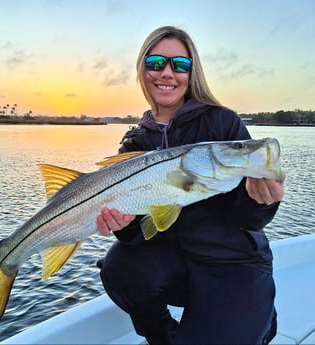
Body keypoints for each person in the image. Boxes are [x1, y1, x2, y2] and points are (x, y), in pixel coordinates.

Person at [96, 26, 284, 345]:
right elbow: (137, 235)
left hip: (232, 264)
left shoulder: (223, 123)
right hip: (174, 264)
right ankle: (163, 337)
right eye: (156, 62)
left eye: (179, 65)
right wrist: (121, 225)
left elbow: (250, 220)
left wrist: (261, 202)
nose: (167, 73)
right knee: (118, 268)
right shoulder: (134, 143)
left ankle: (253, 318)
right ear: (142, 70)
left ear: (191, 73)